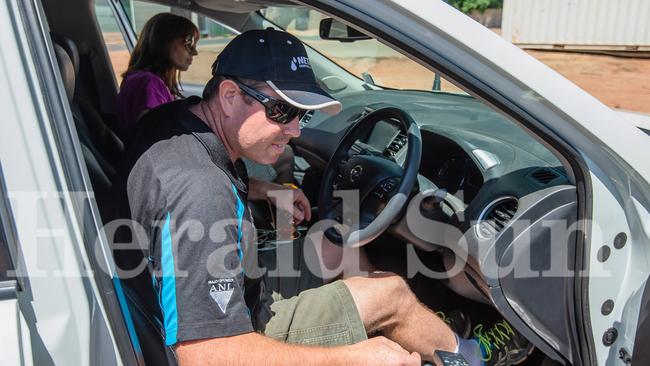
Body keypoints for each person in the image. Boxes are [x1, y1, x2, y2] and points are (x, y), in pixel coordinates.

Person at [111, 28, 530, 366]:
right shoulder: (198, 191)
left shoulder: (175, 124)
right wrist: (349, 358)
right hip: (236, 328)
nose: (294, 129)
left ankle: (412, 331)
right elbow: (204, 354)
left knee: (334, 239)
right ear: (228, 96)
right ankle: (469, 356)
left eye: (302, 114)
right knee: (391, 294)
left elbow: (198, 190)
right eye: (282, 111)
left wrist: (264, 188)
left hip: (237, 275)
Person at [116, 12, 199, 140]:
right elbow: (154, 141)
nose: (195, 52)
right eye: (188, 41)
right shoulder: (149, 83)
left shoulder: (140, 80)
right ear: (164, 41)